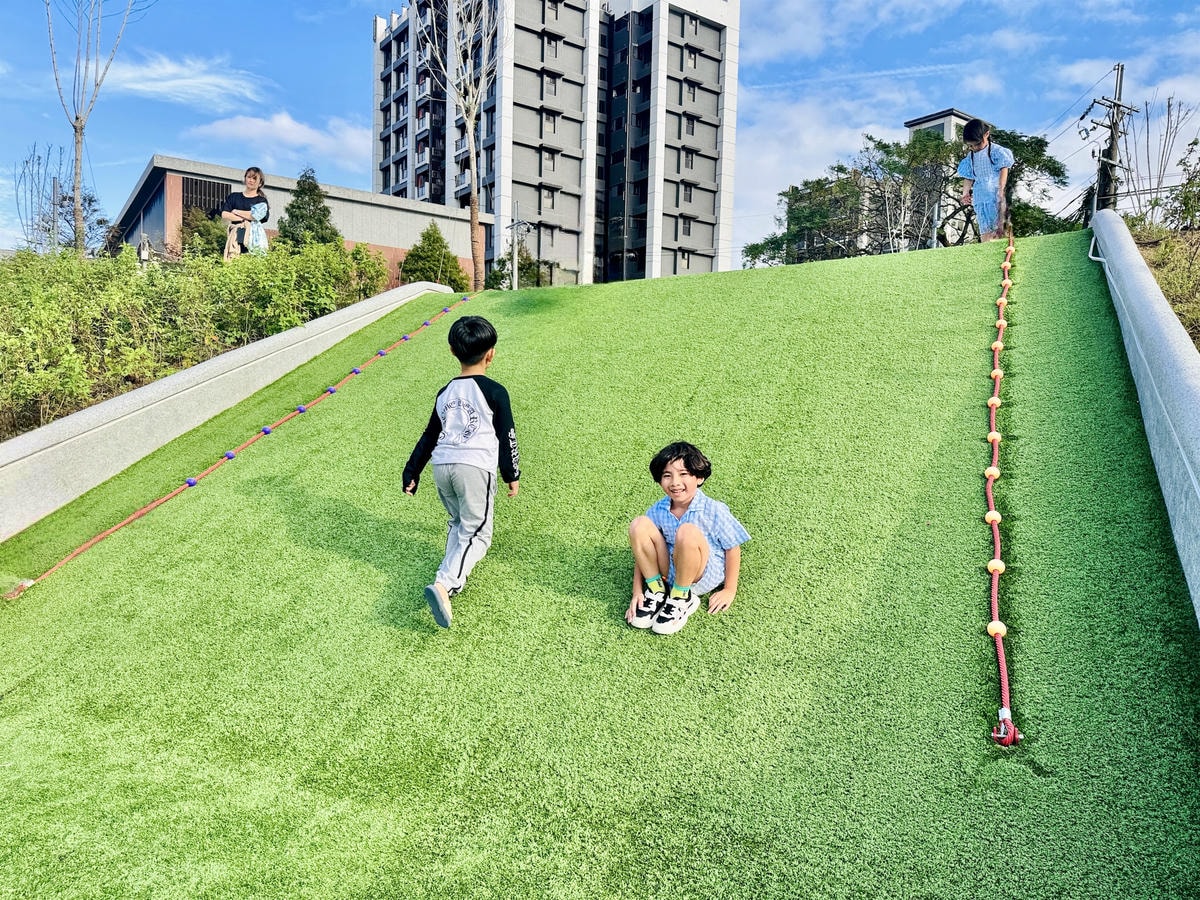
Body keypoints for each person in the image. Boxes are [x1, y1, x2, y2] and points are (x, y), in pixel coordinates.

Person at [403, 315, 521, 628]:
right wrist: (512, 474)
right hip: (473, 468)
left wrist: (412, 471)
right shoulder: (495, 391)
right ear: (491, 353)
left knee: (459, 524)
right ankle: (445, 584)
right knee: (479, 533)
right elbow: (506, 433)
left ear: (452, 352)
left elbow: (429, 435)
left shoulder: (445, 392)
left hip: (442, 466)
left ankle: (447, 577)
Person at [626, 442, 750, 635]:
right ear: (659, 480)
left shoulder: (714, 510)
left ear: (699, 477)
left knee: (686, 532)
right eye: (667, 475)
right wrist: (637, 591)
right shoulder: (659, 509)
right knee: (638, 524)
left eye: (683, 474)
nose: (675, 482)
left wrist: (729, 589)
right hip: (669, 572)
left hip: (701, 573)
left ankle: (682, 597)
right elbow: (641, 550)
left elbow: (732, 548)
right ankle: (657, 591)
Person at [957, 119, 1014, 242]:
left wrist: (1001, 188)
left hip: (994, 194)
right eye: (970, 146)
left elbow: (1004, 168)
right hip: (980, 196)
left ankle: (1002, 246)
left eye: (977, 144)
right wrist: (965, 193)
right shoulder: (971, 156)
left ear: (986, 135)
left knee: (998, 225)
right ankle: (986, 245)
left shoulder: (996, 151)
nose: (974, 148)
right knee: (984, 226)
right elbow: (969, 176)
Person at [221, 166, 270, 260]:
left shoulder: (261, 201)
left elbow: (256, 216)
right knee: (234, 259)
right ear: (245, 178)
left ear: (260, 183)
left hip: (253, 237)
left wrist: (236, 211)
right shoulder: (234, 197)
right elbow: (225, 214)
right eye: (249, 177)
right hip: (235, 234)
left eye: (254, 178)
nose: (251, 180)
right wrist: (245, 218)